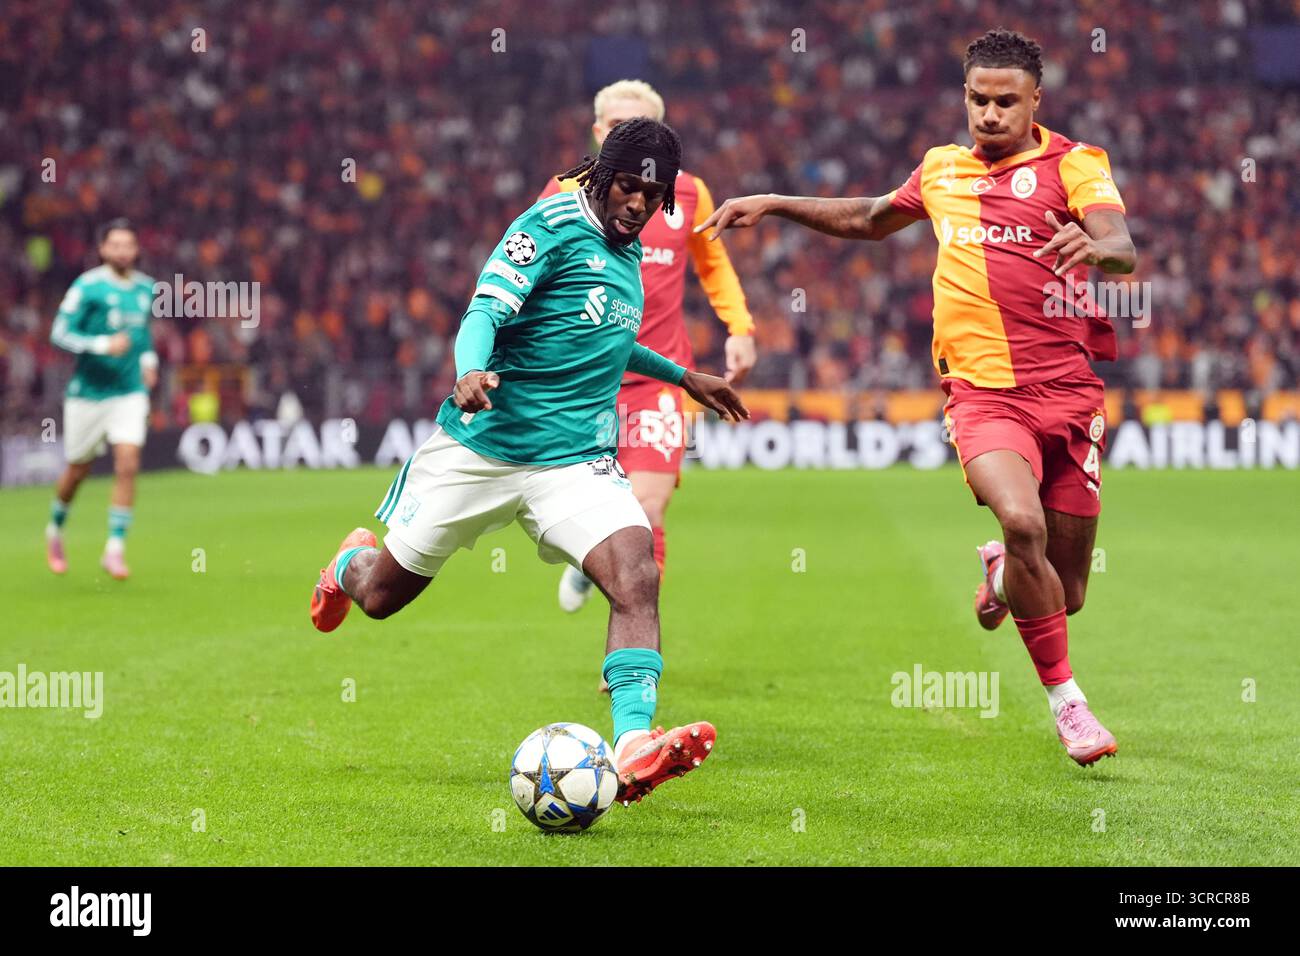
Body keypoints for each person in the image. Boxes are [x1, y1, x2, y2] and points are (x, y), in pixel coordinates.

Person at [697, 29, 1136, 766]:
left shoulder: (1076, 165)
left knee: (1064, 592)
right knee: (1022, 522)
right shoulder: (940, 171)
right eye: (977, 99)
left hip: (1069, 395)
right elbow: (872, 219)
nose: (989, 114)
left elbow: (1121, 243)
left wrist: (1101, 250)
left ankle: (1000, 575)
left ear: (1036, 101)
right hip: (982, 396)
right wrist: (772, 202)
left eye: (1006, 101)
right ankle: (1070, 707)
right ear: (964, 97)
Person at [310, 118, 750, 802]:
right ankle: (346, 566)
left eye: (651, 194)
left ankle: (633, 743)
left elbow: (602, 339)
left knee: (636, 570)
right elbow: (484, 311)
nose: (637, 203)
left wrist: (684, 376)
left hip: (572, 459)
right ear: (604, 178)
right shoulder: (546, 226)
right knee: (380, 598)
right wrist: (470, 370)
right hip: (482, 448)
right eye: (628, 187)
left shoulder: (627, 249)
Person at [541, 80, 757, 616]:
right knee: (595, 518)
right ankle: (588, 565)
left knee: (646, 509)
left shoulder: (688, 193)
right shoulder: (565, 190)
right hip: (584, 383)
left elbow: (713, 263)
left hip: (660, 379)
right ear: (598, 133)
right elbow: (532, 274)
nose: (631, 142)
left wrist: (740, 327)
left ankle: (631, 655)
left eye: (643, 130)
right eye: (618, 129)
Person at [46, 219, 158, 581]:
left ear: (136, 250)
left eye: (129, 245)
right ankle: (54, 529)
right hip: (88, 395)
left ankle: (114, 549)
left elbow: (142, 335)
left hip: (128, 392)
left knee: (127, 463)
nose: (123, 251)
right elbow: (59, 332)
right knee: (78, 469)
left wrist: (147, 360)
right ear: (103, 250)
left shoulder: (146, 289)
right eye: (116, 245)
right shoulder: (88, 286)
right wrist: (101, 345)